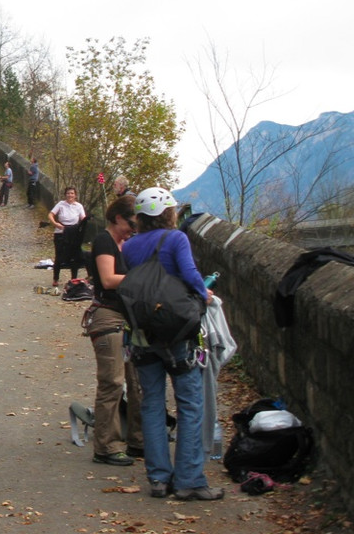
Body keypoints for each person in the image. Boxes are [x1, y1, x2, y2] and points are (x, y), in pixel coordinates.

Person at [122, 188, 222, 502]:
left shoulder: (130, 245)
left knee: (152, 404)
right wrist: (204, 294)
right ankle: (190, 480)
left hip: (143, 334)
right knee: (190, 404)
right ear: (168, 213)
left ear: (140, 216)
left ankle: (159, 479)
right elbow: (190, 273)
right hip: (178, 332)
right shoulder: (176, 238)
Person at [85, 195, 144, 466]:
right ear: (118, 218)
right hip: (108, 317)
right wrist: (146, 278)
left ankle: (138, 440)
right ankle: (106, 446)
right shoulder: (104, 241)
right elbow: (108, 280)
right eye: (131, 222)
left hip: (130, 319)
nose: (134, 228)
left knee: (138, 384)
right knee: (112, 382)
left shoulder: (127, 244)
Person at [48, 186, 87, 287]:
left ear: (75, 195)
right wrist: (55, 224)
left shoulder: (79, 206)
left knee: (74, 256)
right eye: (68, 193)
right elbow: (51, 214)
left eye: (72, 193)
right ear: (65, 195)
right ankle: (56, 278)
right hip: (61, 231)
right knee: (59, 256)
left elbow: (83, 219)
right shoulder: (61, 204)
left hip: (73, 232)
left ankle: (74, 279)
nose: (70, 195)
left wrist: (85, 223)